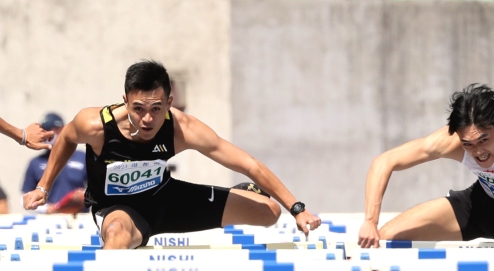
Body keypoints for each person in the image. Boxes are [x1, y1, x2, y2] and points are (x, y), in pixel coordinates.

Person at [22, 60, 319, 249]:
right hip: (119, 208)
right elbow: (66, 140)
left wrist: (297, 208)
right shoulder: (95, 125)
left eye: (156, 109)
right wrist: (43, 186)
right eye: (138, 109)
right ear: (125, 100)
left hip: (168, 200)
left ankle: (242, 195)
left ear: (169, 102)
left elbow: (248, 164)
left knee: (269, 213)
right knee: (117, 237)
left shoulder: (182, 128)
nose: (147, 119)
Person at [358, 84, 494, 248]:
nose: (479, 152)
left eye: (484, 140)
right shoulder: (451, 142)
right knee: (386, 239)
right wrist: (370, 221)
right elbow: (384, 161)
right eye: (468, 144)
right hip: (480, 201)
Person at [22, 112, 88, 214]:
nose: (45, 134)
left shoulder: (82, 157)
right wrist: (46, 209)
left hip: (80, 217)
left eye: (49, 129)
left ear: (62, 129)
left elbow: (99, 187)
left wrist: (85, 196)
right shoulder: (35, 163)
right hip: (50, 219)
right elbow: (24, 196)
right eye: (43, 130)